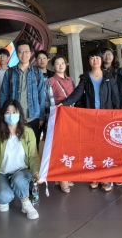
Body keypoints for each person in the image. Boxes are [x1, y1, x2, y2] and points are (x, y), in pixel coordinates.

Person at [61, 48, 119, 192]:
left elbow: (116, 97)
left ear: (101, 60)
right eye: (92, 58)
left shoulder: (109, 77)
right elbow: (76, 94)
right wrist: (64, 104)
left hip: (107, 118)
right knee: (93, 148)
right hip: (90, 119)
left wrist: (118, 116)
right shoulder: (85, 78)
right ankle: (95, 177)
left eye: (97, 58)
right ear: (89, 61)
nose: (95, 60)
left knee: (107, 148)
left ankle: (107, 178)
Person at [0, 99, 40, 220]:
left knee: (18, 180)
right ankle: (10, 189)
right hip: (3, 173)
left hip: (22, 171)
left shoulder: (28, 132)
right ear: (3, 115)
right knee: (3, 198)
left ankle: (26, 202)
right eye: (8, 112)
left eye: (14, 112)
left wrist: (36, 172)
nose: (11, 115)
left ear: (19, 113)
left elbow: (33, 156)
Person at [0, 39, 46, 152]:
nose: (23, 54)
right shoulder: (10, 72)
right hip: (14, 117)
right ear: (17, 53)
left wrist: (41, 117)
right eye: (20, 51)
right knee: (15, 149)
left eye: (26, 51)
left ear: (31, 53)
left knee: (33, 149)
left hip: (33, 116)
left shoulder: (37, 72)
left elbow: (41, 95)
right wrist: (4, 115)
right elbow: (3, 95)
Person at [48, 55, 75, 193]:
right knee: (60, 147)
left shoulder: (70, 80)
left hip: (71, 116)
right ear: (53, 66)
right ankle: (62, 178)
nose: (60, 65)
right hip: (58, 116)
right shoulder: (51, 81)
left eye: (62, 63)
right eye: (57, 63)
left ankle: (66, 174)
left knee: (69, 146)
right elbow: (49, 100)